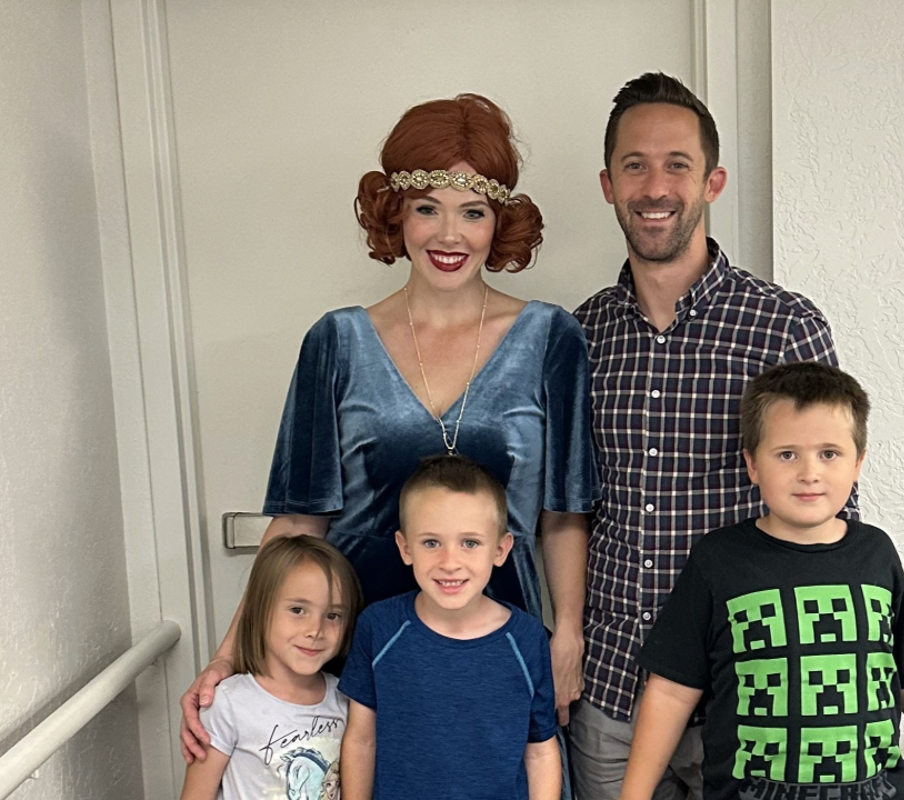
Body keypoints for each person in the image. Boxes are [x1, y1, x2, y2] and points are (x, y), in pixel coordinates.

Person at [182, 93, 597, 759]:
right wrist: (228, 656)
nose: (449, 234)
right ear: (396, 211)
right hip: (354, 653)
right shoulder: (337, 342)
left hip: (498, 647)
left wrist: (567, 635)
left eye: (473, 211)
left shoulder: (551, 337)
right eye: (427, 207)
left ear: (499, 220)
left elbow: (563, 515)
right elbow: (298, 522)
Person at [571, 73, 856, 798]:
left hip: (747, 696)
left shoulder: (784, 327)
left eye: (677, 165)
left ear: (713, 181)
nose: (655, 187)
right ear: (608, 184)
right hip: (610, 687)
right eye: (634, 165)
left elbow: (833, 513)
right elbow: (567, 504)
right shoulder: (580, 334)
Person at [621, 363, 904, 800]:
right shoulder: (717, 560)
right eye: (787, 454)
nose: (809, 473)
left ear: (858, 463)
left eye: (829, 454)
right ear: (752, 464)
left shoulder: (876, 554)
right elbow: (671, 692)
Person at [339, 455, 560, 800]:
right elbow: (361, 739)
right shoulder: (379, 627)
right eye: (431, 543)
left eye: (470, 543)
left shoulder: (527, 639)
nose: (450, 563)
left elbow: (541, 751)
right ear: (405, 548)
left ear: (500, 549)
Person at [179, 535, 363, 800]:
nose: (316, 630)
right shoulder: (228, 703)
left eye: (333, 615)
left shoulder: (345, 699)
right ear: (260, 610)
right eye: (298, 610)